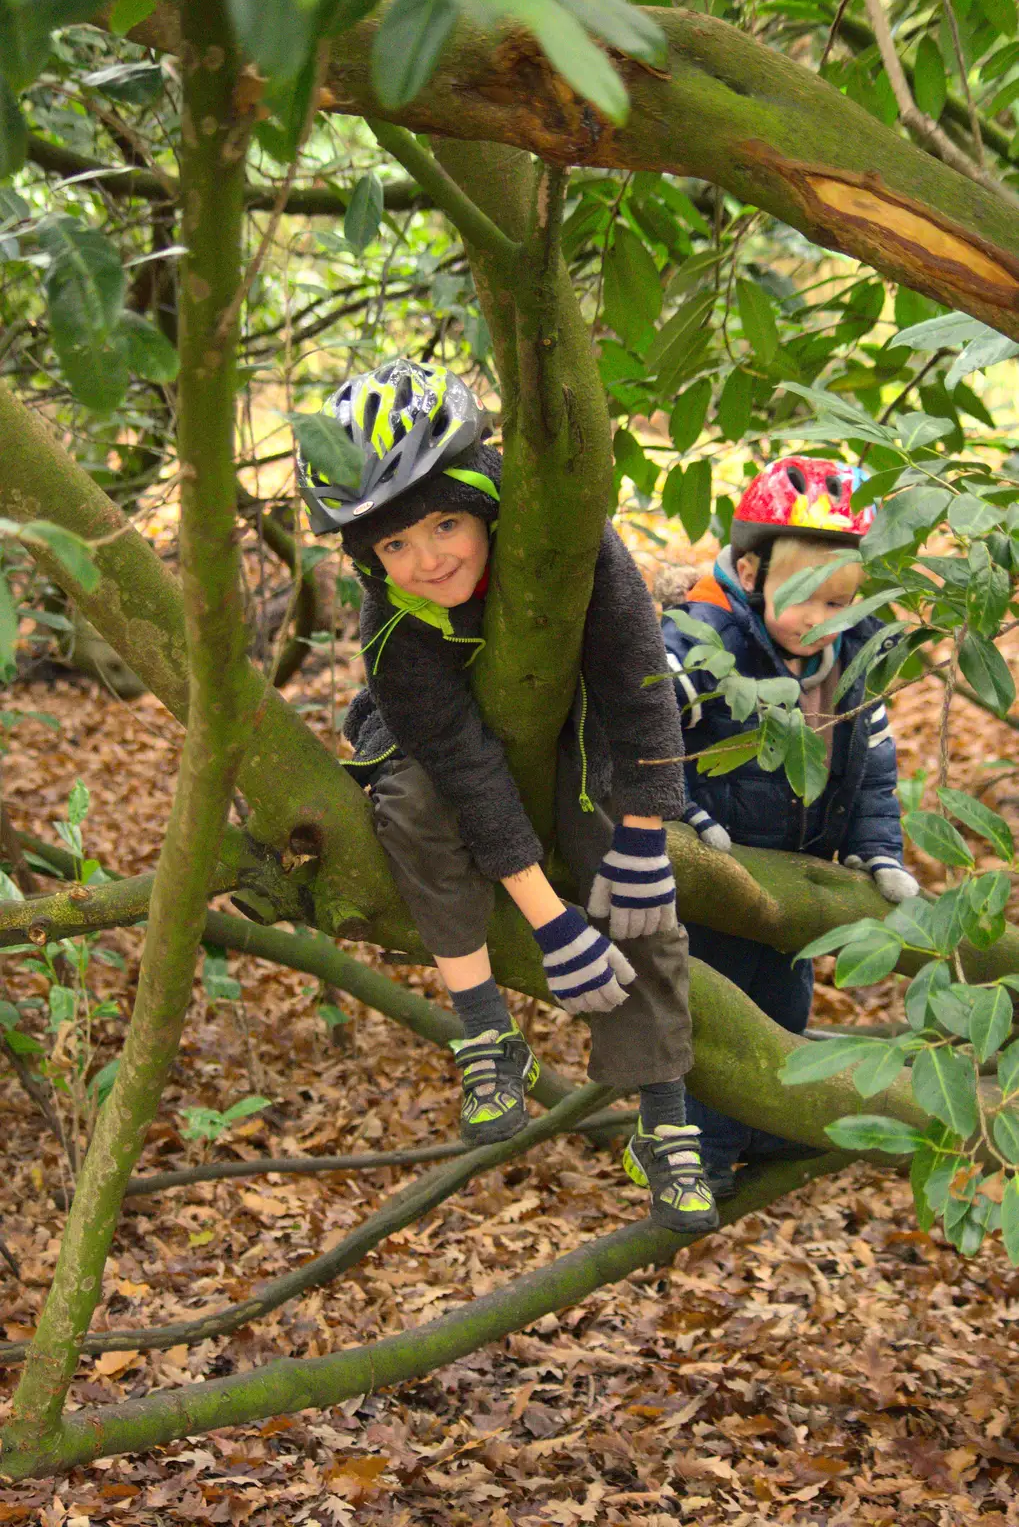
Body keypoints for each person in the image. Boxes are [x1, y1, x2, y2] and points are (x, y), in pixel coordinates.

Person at [297, 359, 721, 1233]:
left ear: (482, 502)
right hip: (440, 749)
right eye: (395, 546)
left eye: (445, 523)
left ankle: (665, 1112)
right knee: (413, 810)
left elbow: (636, 681)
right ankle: (486, 1031)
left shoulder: (569, 545)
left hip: (579, 726)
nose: (428, 559)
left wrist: (646, 836)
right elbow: (464, 771)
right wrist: (550, 924)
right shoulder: (395, 627)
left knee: (619, 867)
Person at [661, 455, 919, 1197]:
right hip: (721, 871)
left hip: (799, 878)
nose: (822, 620)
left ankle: (772, 1128)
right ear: (749, 571)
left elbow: (868, 758)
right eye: (803, 598)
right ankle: (696, 1158)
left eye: (841, 601)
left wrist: (875, 846)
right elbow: (647, 728)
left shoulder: (853, 653)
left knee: (783, 1006)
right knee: (715, 1019)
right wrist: (681, 806)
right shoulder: (701, 642)